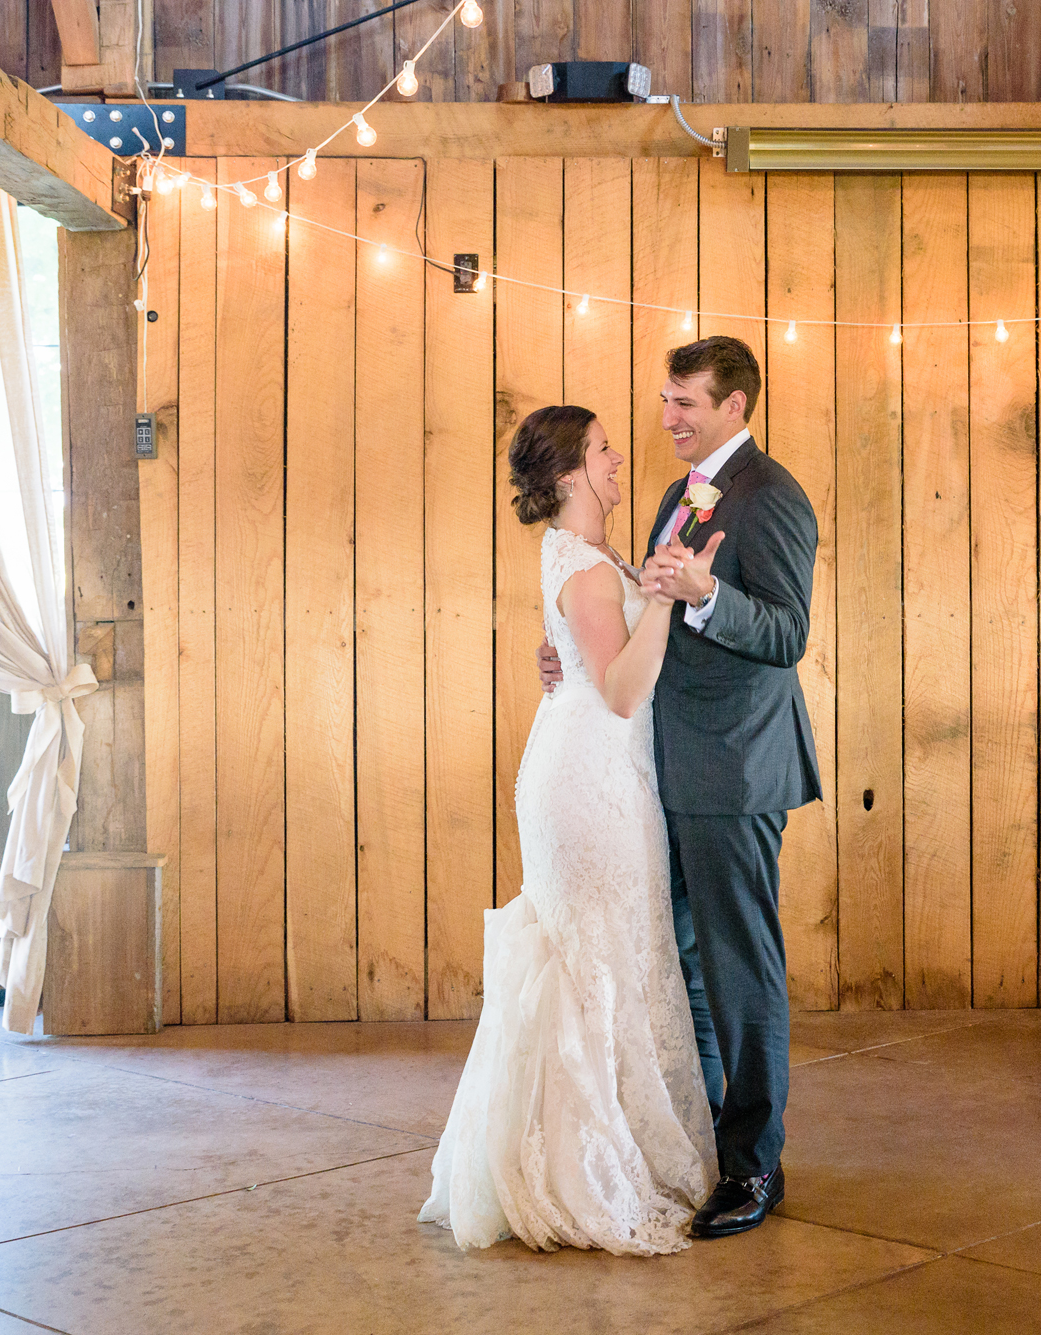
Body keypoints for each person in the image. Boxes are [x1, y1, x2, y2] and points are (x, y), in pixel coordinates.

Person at [539, 335, 820, 1238]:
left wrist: (705, 592)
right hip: (663, 769)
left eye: (685, 403)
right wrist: (576, 653)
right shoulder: (677, 493)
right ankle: (700, 1141)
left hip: (735, 770)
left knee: (742, 971)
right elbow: (629, 608)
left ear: (735, 407)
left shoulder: (772, 497)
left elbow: (785, 632)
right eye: (664, 401)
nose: (667, 419)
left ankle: (754, 1165)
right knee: (688, 965)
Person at [419, 405, 717, 1256]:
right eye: (602, 449)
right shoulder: (589, 568)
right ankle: (581, 1168)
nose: (619, 459)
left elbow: (586, 653)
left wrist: (640, 589)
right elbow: (622, 689)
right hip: (589, 784)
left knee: (611, 958)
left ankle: (590, 1143)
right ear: (568, 475)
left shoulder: (589, 557)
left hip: (596, 768)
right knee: (598, 961)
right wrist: (659, 596)